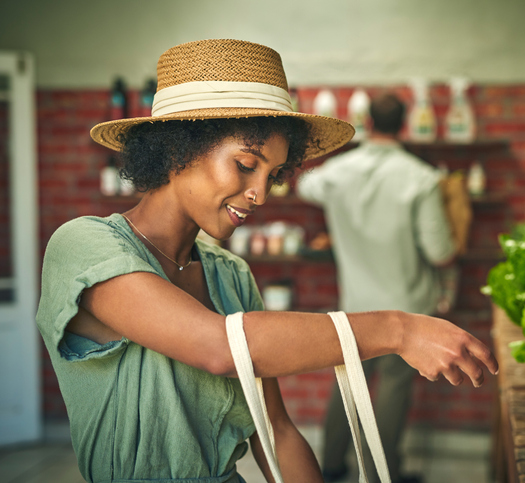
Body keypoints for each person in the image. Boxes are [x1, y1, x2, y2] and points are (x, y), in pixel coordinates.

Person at [36, 39, 498, 483]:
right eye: (244, 164)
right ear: (178, 150)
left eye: (273, 174)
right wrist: (400, 329)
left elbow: (274, 429)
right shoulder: (83, 246)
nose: (260, 194)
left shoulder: (230, 274)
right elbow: (219, 347)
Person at [296, 92, 456, 483]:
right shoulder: (421, 178)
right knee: (394, 390)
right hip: (407, 306)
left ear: (366, 122)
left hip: (354, 304)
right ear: (403, 124)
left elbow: (303, 187)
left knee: (348, 384)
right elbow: (439, 253)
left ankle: (331, 465)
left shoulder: (336, 173)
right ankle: (385, 474)